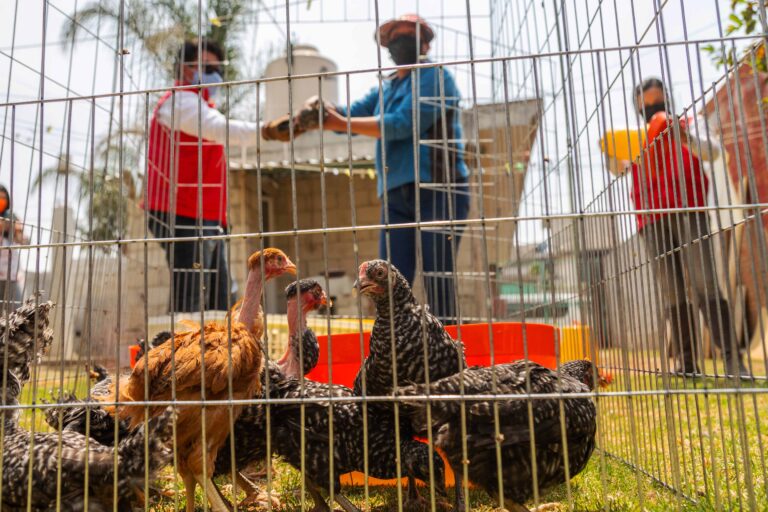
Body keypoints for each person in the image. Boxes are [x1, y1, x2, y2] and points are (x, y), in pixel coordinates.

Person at [312, 14, 470, 323]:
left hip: (439, 189)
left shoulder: (434, 75)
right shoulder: (386, 88)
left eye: (407, 36)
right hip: (396, 195)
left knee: (438, 278)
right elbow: (348, 116)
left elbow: (403, 123)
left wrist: (340, 122)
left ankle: (449, 352)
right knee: (391, 282)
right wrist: (320, 112)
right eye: (394, 37)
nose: (400, 42)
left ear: (424, 43)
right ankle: (398, 358)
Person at [630, 77, 748, 377]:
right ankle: (686, 362)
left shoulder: (689, 123)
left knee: (705, 283)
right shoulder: (635, 138)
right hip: (651, 219)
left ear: (666, 100)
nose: (653, 108)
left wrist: (684, 137)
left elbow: (714, 152)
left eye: (657, 101)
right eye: (646, 104)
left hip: (688, 209)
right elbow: (619, 167)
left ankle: (733, 360)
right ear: (637, 108)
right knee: (672, 292)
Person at [145, 39, 271, 313]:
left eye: (216, 69)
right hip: (182, 212)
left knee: (220, 299)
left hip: (206, 216)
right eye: (205, 66)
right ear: (185, 68)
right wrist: (269, 130)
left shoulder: (200, 104)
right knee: (189, 298)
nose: (213, 74)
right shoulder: (180, 101)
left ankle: (216, 354)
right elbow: (220, 128)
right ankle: (176, 353)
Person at [0, 185, 26, 312]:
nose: (1, 200)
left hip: (12, 275)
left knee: (16, 314)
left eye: (3, 198)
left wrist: (15, 230)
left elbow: (24, 240)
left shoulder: (12, 216)